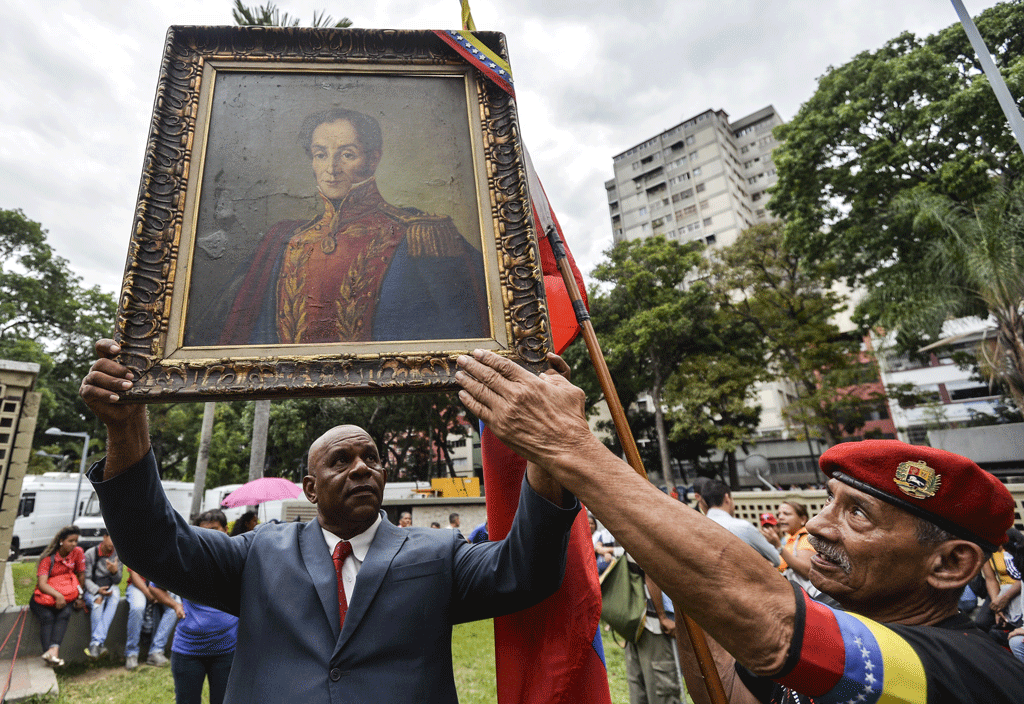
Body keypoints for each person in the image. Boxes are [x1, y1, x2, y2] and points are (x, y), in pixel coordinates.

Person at [455, 349, 1024, 704]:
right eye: (828, 502)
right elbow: (723, 691)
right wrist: (670, 560)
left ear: (951, 565)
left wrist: (568, 445)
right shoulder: (844, 621)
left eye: (858, 515)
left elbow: (777, 627)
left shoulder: (965, 668)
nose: (820, 528)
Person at [80, 340, 578, 703]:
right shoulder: (257, 553)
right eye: (341, 460)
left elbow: (527, 571)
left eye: (372, 457)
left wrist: (546, 443)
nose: (361, 467)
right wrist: (124, 428)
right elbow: (153, 546)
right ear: (310, 487)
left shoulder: (438, 553)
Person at [207, 107, 489, 346]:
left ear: (373, 158)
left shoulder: (418, 234)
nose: (331, 168)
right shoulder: (284, 240)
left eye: (347, 154)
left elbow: (467, 331)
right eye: (320, 154)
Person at [172, 510, 239, 704]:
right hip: (188, 651)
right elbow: (155, 587)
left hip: (227, 651)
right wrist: (175, 604)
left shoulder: (238, 559)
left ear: (226, 530)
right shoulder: (187, 561)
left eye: (214, 530)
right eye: (203, 532)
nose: (209, 536)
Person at [29, 525, 85, 667]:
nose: (73, 544)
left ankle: (52, 653)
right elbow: (42, 584)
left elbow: (81, 575)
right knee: (47, 617)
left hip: (66, 597)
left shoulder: (78, 553)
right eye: (70, 541)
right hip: (44, 599)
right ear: (61, 541)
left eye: (76, 541)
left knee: (65, 613)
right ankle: (50, 654)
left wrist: (79, 597)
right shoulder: (48, 560)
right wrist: (58, 596)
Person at [123, 567, 180, 670]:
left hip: (158, 587)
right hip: (138, 586)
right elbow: (135, 577)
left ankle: (156, 650)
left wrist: (161, 592)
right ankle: (131, 653)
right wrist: (149, 594)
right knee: (137, 607)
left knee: (175, 607)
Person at [760, 498, 817, 596]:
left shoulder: (805, 537)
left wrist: (778, 547)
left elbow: (807, 571)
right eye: (779, 514)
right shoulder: (788, 538)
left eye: (786, 514)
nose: (780, 518)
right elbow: (783, 567)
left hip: (810, 598)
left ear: (803, 519)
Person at [83, 529, 123, 658]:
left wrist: (114, 571)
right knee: (97, 603)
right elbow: (86, 579)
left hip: (110, 586)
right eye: (111, 538)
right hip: (93, 588)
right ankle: (98, 644)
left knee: (115, 596)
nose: (113, 543)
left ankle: (95, 644)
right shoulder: (91, 554)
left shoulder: (118, 555)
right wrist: (97, 591)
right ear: (104, 537)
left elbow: (118, 580)